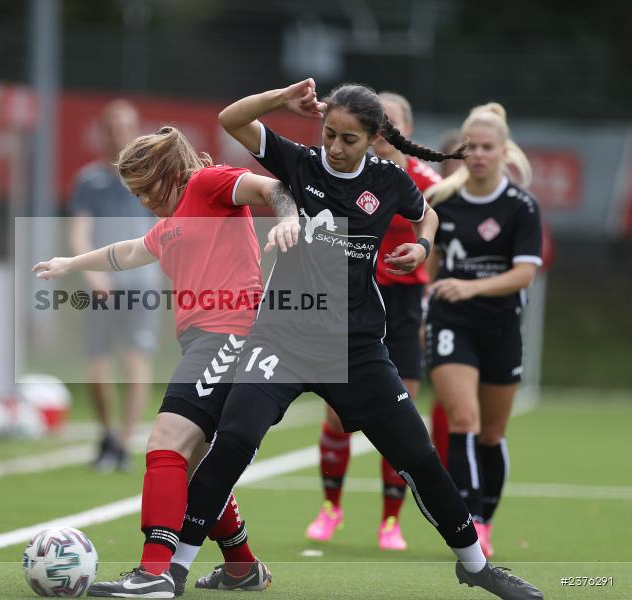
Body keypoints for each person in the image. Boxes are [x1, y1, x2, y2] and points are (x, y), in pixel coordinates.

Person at [170, 80, 543, 600]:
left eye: (349, 139)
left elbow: (425, 215)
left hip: (357, 347)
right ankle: (176, 569)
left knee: (419, 457)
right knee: (233, 440)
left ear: (373, 138)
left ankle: (476, 566)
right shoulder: (299, 163)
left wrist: (422, 246)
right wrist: (281, 99)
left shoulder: (390, 180)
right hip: (281, 339)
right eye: (330, 135)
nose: (336, 148)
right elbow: (232, 119)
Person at [34, 125, 299, 598]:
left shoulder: (207, 183)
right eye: (133, 193)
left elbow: (273, 186)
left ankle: (155, 570)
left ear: (168, 173)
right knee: (197, 463)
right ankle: (242, 567)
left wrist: (287, 217)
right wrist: (72, 264)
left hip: (230, 335)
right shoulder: (171, 222)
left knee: (166, 442)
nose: (140, 201)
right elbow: (130, 251)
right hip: (204, 341)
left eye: (144, 189)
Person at [305, 91, 450, 551]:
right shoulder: (345, 171)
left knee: (401, 417)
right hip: (352, 305)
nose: (385, 132)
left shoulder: (420, 179)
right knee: (335, 414)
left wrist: (424, 260)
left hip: (403, 306)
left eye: (394, 123)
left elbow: (434, 223)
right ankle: (331, 509)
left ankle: (391, 521)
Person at [424, 103, 542, 560]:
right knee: (463, 420)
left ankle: (487, 517)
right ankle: (469, 520)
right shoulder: (442, 200)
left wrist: (471, 287)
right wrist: (427, 301)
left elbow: (524, 274)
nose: (476, 154)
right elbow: (431, 263)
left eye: (486, 147)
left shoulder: (521, 207)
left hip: (500, 325)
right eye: (469, 146)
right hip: (452, 323)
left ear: (504, 151)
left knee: (492, 433)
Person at [67, 100, 159, 471]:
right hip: (102, 284)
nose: (120, 133)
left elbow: (164, 228)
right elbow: (79, 232)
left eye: (127, 126)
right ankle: (105, 434)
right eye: (113, 127)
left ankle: (123, 443)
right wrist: (91, 273)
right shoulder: (88, 180)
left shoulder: (149, 176)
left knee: (136, 359)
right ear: (103, 132)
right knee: (97, 363)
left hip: (140, 283)